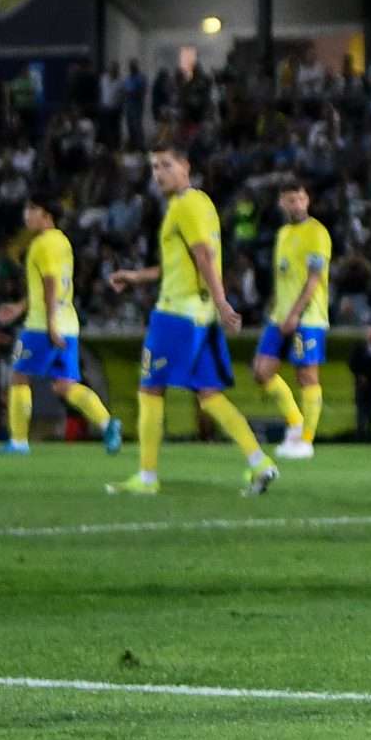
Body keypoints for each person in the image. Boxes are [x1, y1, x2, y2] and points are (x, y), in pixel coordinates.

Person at [103, 147, 277, 496]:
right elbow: (182, 262)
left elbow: (204, 256)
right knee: (208, 394)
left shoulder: (185, 206)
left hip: (176, 315)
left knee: (150, 389)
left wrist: (223, 300)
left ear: (186, 166)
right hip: (199, 316)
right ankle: (260, 462)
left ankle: (147, 478)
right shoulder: (201, 204)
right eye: (153, 167)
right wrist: (138, 276)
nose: (158, 173)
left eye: (166, 165)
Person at [0, 196, 122, 457]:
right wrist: (19, 307)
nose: (26, 214)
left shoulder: (42, 244)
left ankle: (18, 442)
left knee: (18, 376)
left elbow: (50, 284)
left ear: (47, 214)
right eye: (26, 208)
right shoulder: (62, 241)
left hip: (43, 326)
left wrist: (50, 323)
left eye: (33, 209)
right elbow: (50, 286)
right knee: (65, 385)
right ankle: (108, 423)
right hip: (68, 323)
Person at [255, 179, 330, 460]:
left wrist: (296, 313)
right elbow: (283, 276)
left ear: (307, 200)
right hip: (279, 316)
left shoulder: (317, 233)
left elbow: (313, 279)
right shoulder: (283, 234)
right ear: (281, 203)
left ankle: (306, 441)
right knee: (261, 372)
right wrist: (275, 308)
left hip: (308, 317)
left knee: (307, 375)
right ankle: (296, 423)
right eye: (289, 200)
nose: (295, 204)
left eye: (299, 199)